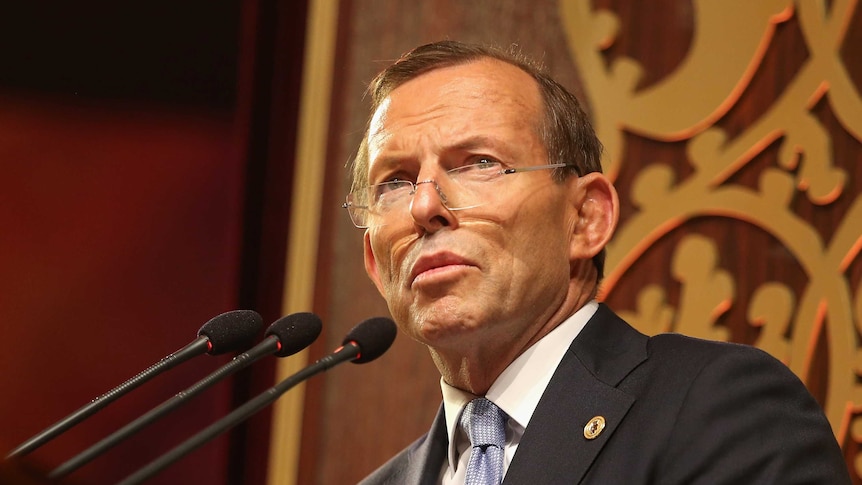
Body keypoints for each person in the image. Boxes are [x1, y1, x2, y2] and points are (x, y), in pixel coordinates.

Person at [342, 40, 850, 484]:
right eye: (395, 182)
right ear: (374, 259)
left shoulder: (720, 410)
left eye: (480, 163)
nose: (425, 207)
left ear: (586, 219)